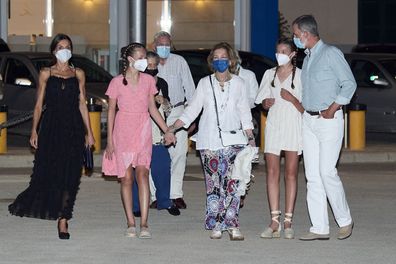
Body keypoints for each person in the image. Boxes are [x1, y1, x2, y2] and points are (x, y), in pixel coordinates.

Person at [8, 33, 95, 240]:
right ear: (54, 51)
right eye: (61, 47)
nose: (65, 50)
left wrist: (89, 133)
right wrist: (34, 130)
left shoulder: (79, 73)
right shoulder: (46, 73)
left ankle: (64, 218)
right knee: (51, 171)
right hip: (51, 128)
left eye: (68, 46)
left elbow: (82, 104)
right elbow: (38, 105)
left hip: (73, 127)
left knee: (72, 173)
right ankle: (52, 204)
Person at [167, 42, 255, 240]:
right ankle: (216, 223)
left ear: (231, 60)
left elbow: (244, 112)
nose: (219, 61)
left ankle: (232, 224)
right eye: (215, 58)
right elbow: (192, 110)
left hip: (234, 140)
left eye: (223, 57)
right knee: (214, 184)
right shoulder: (205, 83)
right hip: (209, 141)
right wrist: (172, 128)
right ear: (211, 62)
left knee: (232, 183)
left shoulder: (240, 84)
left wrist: (250, 138)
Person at [102, 43, 176, 239]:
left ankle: (144, 222)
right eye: (141, 56)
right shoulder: (117, 82)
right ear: (130, 59)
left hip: (142, 129)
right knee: (126, 179)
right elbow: (111, 111)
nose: (145, 60)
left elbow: (152, 109)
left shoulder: (148, 81)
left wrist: (167, 130)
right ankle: (130, 222)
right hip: (123, 131)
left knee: (142, 174)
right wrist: (109, 140)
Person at [292, 15, 356, 241]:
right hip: (309, 120)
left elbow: (349, 83)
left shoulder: (330, 53)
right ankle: (319, 227)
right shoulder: (308, 58)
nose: (295, 39)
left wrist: (332, 108)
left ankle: (345, 220)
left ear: (306, 35)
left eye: (296, 35)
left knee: (327, 171)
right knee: (312, 175)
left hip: (328, 120)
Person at [255, 38, 304, 239]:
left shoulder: (301, 76)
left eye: (284, 51)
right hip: (274, 127)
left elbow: (305, 109)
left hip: (293, 127)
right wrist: (265, 103)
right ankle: (274, 221)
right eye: (278, 51)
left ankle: (288, 221)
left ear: (293, 54)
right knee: (272, 172)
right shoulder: (269, 74)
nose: (280, 54)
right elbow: (261, 102)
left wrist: (292, 99)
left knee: (290, 174)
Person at [131, 51, 180, 216]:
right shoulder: (135, 81)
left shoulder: (162, 83)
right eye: (148, 65)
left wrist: (164, 101)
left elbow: (167, 107)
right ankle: (137, 206)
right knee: (139, 169)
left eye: (154, 65)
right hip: (139, 130)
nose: (151, 69)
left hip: (157, 130)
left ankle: (164, 201)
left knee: (162, 167)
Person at [152, 31, 196, 209]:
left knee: (179, 154)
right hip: (155, 113)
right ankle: (155, 195)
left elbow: (190, 89)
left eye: (167, 45)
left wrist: (192, 117)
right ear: (154, 46)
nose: (164, 48)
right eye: (160, 45)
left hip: (178, 111)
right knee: (154, 155)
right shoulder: (149, 63)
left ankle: (175, 194)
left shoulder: (180, 62)